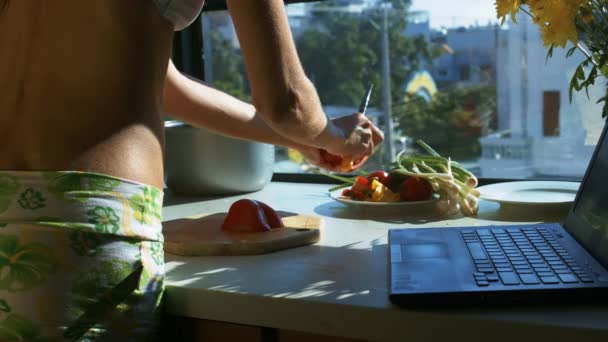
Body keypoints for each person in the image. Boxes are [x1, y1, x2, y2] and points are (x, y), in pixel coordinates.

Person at [0, 0, 383, 340]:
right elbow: (289, 102)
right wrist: (335, 136)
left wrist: (300, 141)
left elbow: (166, 86)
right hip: (84, 220)